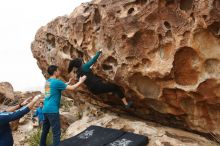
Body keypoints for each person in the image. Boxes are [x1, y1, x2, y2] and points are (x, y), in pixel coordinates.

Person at [68, 49, 133, 108]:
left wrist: (90, 66)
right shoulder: (84, 67)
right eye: (81, 61)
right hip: (98, 86)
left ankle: (114, 97)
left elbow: (88, 72)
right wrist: (99, 51)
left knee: (108, 87)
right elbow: (93, 60)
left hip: (93, 90)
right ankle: (126, 104)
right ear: (80, 63)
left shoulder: (78, 73)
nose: (82, 62)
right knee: (116, 87)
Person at [40, 65, 86, 146]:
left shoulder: (47, 82)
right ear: (55, 72)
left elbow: (55, 87)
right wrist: (81, 81)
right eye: (58, 70)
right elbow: (72, 88)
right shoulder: (57, 82)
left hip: (45, 109)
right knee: (56, 133)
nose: (59, 72)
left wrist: (67, 82)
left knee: (45, 131)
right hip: (52, 110)